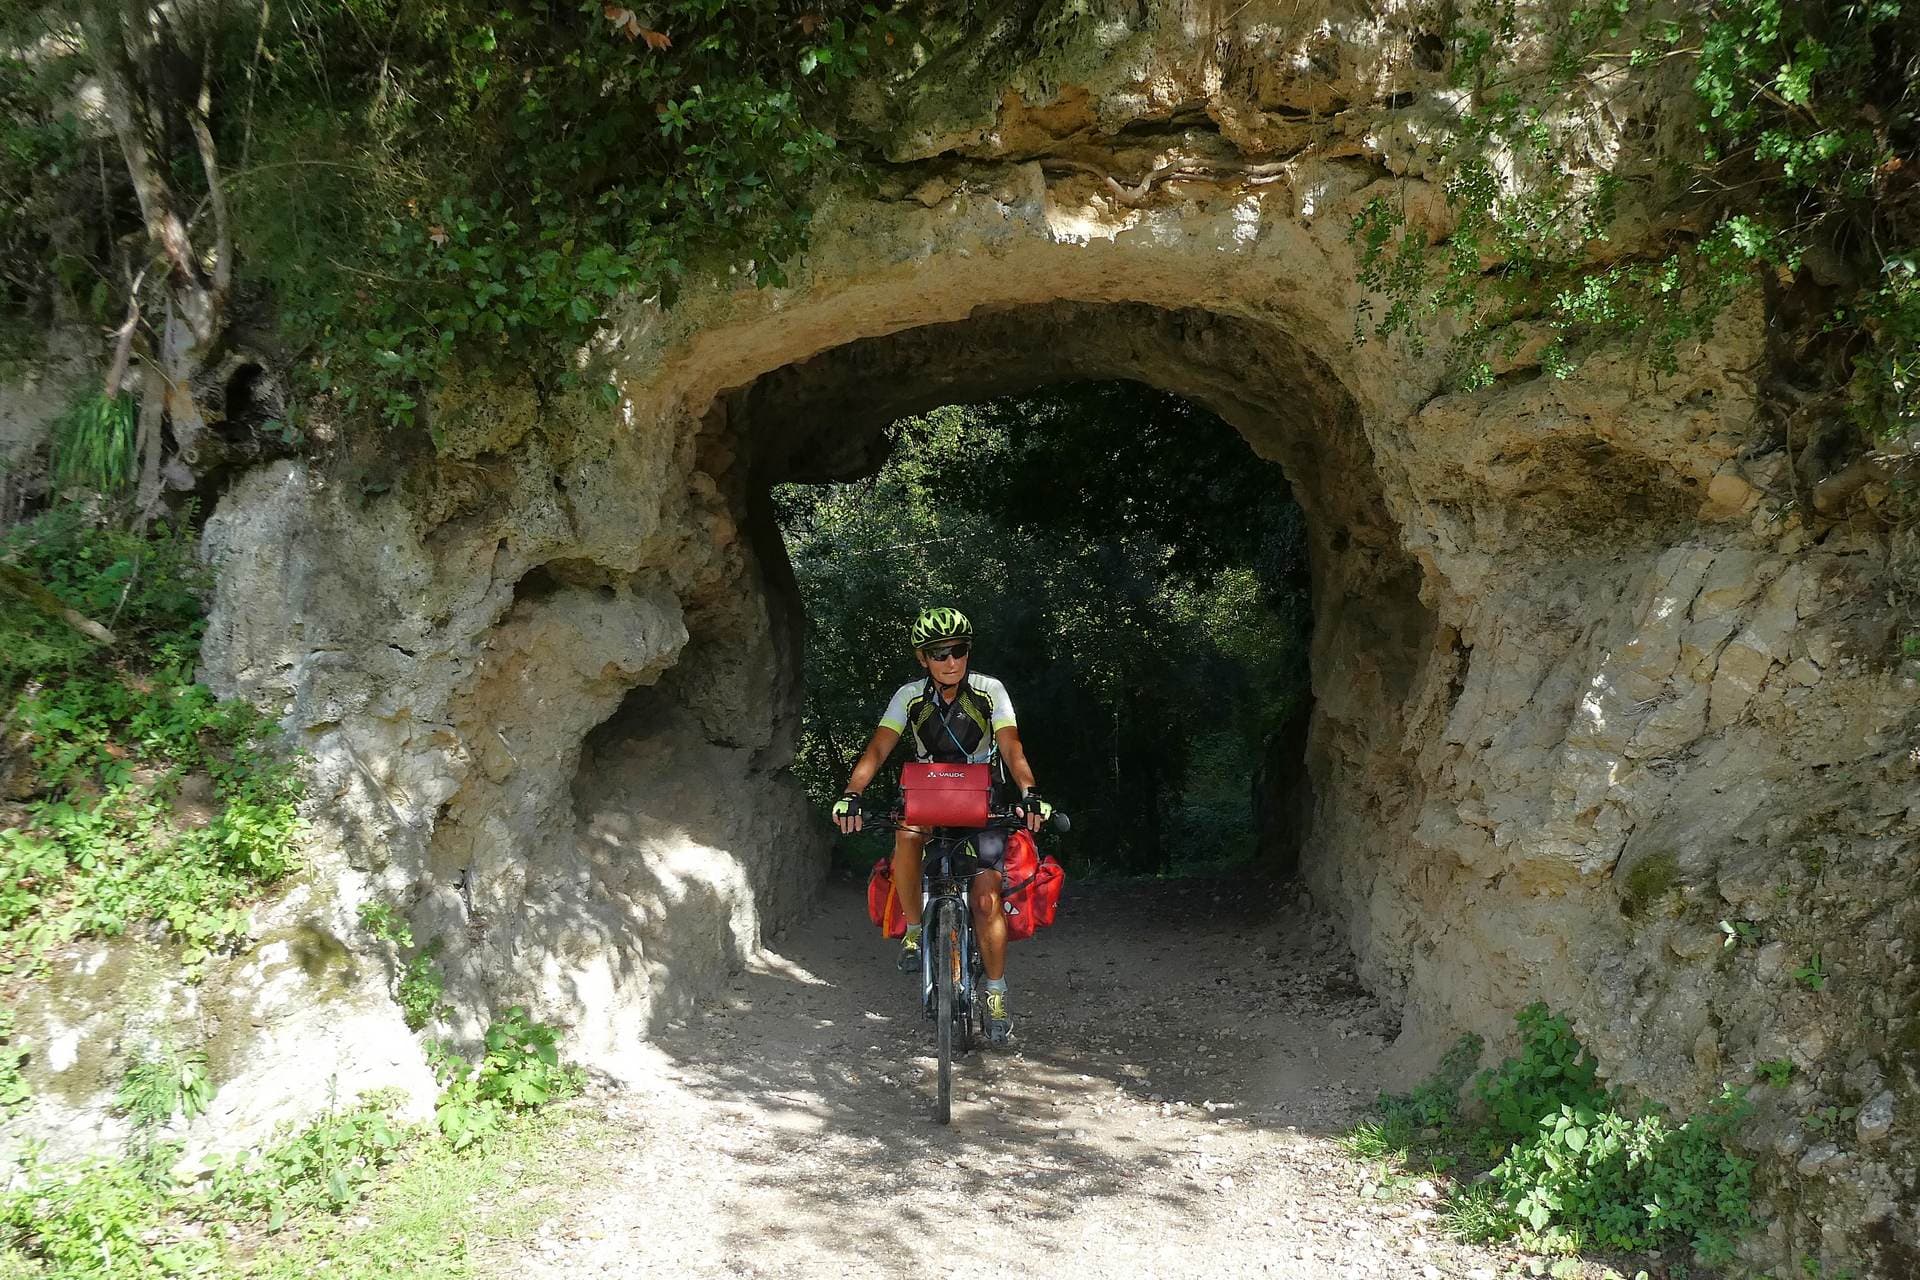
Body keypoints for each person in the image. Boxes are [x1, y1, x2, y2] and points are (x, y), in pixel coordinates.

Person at [831, 606, 1051, 1046]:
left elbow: (1011, 746)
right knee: (906, 835)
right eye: (939, 653)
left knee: (986, 898)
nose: (951, 661)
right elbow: (879, 747)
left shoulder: (990, 691)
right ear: (923, 658)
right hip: (927, 796)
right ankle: (914, 932)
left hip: (981, 802)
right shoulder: (910, 696)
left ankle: (995, 995)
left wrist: (1029, 793)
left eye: (959, 651)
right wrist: (852, 794)